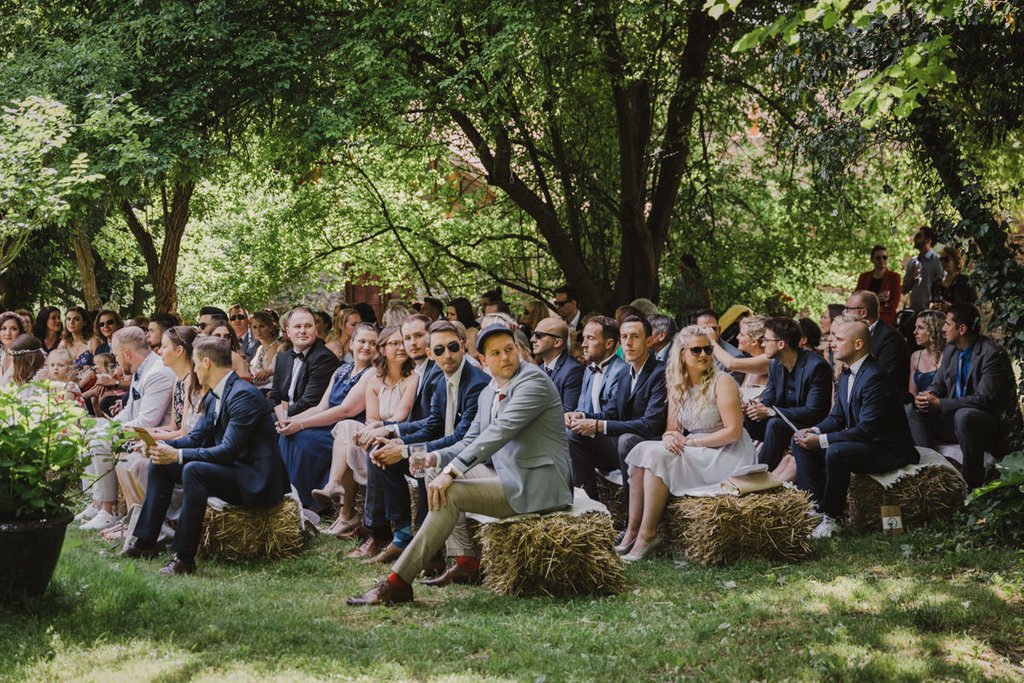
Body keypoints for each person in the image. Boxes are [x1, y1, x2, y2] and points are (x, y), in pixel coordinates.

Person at [346, 324, 572, 605]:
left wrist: (452, 471)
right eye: (496, 353)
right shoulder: (490, 390)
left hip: (538, 486)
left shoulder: (533, 382)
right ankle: (460, 561)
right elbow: (470, 439)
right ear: (484, 359)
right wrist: (434, 459)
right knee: (438, 474)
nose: (505, 357)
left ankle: (399, 581)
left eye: (509, 349)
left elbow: (496, 434)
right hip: (508, 475)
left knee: (449, 490)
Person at [121, 336, 290, 575]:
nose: (194, 369)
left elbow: (228, 450)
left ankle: (184, 558)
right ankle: (146, 542)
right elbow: (197, 437)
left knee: (194, 470)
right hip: (231, 468)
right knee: (160, 464)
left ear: (207, 363)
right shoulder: (215, 394)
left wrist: (178, 454)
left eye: (196, 364)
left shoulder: (244, 395)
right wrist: (160, 446)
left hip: (253, 479)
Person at [360, 320, 491, 574]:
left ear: (463, 346)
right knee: (383, 455)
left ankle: (429, 548)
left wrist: (410, 450)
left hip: (471, 458)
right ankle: (402, 534)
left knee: (423, 460)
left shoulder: (477, 383)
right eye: (439, 350)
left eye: (453, 347)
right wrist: (398, 443)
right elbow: (432, 426)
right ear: (431, 354)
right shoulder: (441, 382)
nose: (448, 355)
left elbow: (462, 438)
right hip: (446, 450)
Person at [619, 326, 756, 561]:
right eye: (696, 350)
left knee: (658, 457)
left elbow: (733, 432)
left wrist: (691, 442)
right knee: (642, 450)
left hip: (725, 452)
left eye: (708, 349)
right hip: (697, 447)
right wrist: (669, 437)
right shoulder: (677, 383)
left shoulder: (723, 382)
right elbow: (672, 429)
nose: (704, 354)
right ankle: (632, 531)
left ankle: (647, 534)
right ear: (682, 354)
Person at [790, 320, 919, 539]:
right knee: (800, 441)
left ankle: (833, 519)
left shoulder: (875, 377)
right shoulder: (847, 373)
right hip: (865, 442)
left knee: (837, 452)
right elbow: (837, 417)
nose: (833, 344)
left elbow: (866, 430)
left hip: (887, 449)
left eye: (839, 340)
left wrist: (822, 441)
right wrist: (813, 430)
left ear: (858, 344)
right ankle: (816, 506)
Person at [907, 304, 1023, 488]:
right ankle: (929, 469)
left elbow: (984, 399)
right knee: (911, 410)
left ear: (962, 329)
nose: (943, 328)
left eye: (947, 323)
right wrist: (928, 396)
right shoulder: (952, 351)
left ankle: (972, 482)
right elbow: (938, 384)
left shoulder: (992, 354)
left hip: (988, 425)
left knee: (965, 415)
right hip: (956, 420)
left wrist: (941, 404)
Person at [279, 323, 378, 533]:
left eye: (373, 343)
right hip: (326, 423)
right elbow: (321, 406)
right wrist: (291, 420)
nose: (366, 347)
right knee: (287, 435)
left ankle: (310, 504)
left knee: (303, 438)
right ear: (351, 343)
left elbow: (345, 411)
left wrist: (301, 425)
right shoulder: (342, 370)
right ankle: (288, 499)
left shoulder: (372, 373)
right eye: (362, 341)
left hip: (348, 430)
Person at [78, 326, 177, 531]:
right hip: (138, 427)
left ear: (127, 353)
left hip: (155, 434)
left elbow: (147, 421)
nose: (116, 360)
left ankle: (109, 510)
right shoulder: (140, 370)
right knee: (93, 430)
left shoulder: (157, 372)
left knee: (101, 440)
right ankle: (97, 502)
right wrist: (109, 426)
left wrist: (110, 432)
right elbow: (129, 411)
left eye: (115, 355)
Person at [567, 315, 667, 512]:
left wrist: (598, 426)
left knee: (626, 440)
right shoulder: (624, 373)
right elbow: (612, 413)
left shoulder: (660, 373)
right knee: (573, 435)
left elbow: (650, 425)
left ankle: (630, 517)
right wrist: (581, 416)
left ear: (649, 341)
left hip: (651, 444)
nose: (628, 343)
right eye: (624, 337)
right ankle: (591, 507)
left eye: (634, 337)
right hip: (621, 444)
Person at [111, 325, 203, 540]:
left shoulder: (192, 382)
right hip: (178, 438)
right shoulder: (179, 381)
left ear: (179, 351)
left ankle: (158, 525)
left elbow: (183, 432)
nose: (159, 351)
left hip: (190, 446)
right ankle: (134, 520)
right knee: (126, 454)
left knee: (138, 461)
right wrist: (139, 432)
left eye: (164, 346)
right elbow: (172, 426)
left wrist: (147, 437)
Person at [340, 325, 418, 559]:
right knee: (373, 446)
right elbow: (372, 417)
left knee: (377, 448)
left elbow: (401, 416)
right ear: (382, 349)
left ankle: (378, 530)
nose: (401, 347)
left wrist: (376, 432)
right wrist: (370, 430)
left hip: (405, 433)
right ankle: (382, 530)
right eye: (394, 343)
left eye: (402, 342)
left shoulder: (413, 377)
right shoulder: (374, 379)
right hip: (383, 434)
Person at [744, 317, 832, 470]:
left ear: (781, 344)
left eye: (766, 339)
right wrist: (755, 408)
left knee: (775, 424)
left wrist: (770, 412)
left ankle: (759, 473)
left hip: (810, 426)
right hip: (781, 421)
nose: (763, 343)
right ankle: (740, 465)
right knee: (745, 417)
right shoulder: (774, 364)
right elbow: (769, 399)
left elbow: (812, 412)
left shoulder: (817, 366)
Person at [268, 306, 340, 417]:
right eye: (297, 326)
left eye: (308, 326)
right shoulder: (282, 358)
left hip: (308, 419)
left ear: (315, 330)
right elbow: (275, 398)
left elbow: (308, 403)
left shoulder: (324, 359)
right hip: (284, 415)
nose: (302, 331)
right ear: (288, 332)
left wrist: (274, 417)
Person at [845, 290, 909, 401]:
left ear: (863, 313)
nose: (844, 314)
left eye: (848, 310)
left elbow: (885, 379)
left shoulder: (890, 339)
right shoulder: (855, 335)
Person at [573, 316, 626, 415]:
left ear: (609, 344)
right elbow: (581, 407)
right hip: (587, 427)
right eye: (584, 338)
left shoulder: (622, 371)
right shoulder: (589, 369)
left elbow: (613, 414)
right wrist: (574, 416)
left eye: (590, 338)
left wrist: (583, 417)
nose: (583, 344)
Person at [530, 317, 584, 412]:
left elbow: (568, 412)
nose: (532, 339)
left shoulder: (573, 370)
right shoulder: (540, 369)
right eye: (533, 334)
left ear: (557, 342)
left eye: (538, 335)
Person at [711, 314, 770, 398]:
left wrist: (712, 342)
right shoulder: (751, 360)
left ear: (754, 341)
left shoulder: (769, 360)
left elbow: (731, 364)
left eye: (742, 334)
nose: (737, 337)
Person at [856, 245, 902, 326]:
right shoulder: (864, 277)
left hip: (885, 319)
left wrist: (872, 309)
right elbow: (857, 298)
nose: (881, 260)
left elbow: (894, 303)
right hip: (864, 318)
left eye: (884, 257)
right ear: (872, 260)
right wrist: (876, 298)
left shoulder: (894, 277)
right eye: (878, 258)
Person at [902, 226, 944, 313]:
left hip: (930, 312)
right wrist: (913, 277)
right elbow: (904, 290)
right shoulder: (913, 261)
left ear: (928, 240)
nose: (915, 239)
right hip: (912, 310)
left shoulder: (938, 261)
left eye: (919, 236)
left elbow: (943, 287)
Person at [908, 310, 945, 395]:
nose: (915, 332)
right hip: (917, 405)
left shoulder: (947, 355)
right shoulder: (915, 356)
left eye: (920, 328)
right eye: (915, 327)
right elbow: (912, 394)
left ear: (934, 330)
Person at [930, 245, 977, 311]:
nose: (943, 262)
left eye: (946, 259)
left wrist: (951, 307)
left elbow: (973, 307)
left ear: (955, 260)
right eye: (941, 259)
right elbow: (931, 301)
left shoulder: (965, 281)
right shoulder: (937, 283)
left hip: (958, 320)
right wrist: (932, 306)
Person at [60, 306, 99, 372]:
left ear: (85, 322)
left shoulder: (93, 341)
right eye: (68, 319)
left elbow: (100, 367)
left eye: (76, 319)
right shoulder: (64, 343)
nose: (71, 323)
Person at [248, 311, 280, 392]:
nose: (258, 330)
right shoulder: (259, 348)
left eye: (262, 326)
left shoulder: (279, 347)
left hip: (271, 391)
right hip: (256, 389)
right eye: (254, 327)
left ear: (270, 327)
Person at [0, 311, 28, 386]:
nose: (8, 333)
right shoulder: (1, 355)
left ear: (20, 332)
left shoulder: (26, 357)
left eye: (13, 329)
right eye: (3, 328)